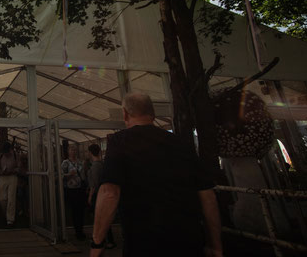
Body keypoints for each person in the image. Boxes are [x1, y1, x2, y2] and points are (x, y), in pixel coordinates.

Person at [90, 93, 222, 257]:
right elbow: (207, 195)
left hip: (144, 243)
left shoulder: (120, 141)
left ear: (125, 114)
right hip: (188, 240)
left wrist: (97, 242)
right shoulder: (181, 143)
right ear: (152, 114)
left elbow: (110, 192)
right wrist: (215, 245)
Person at [87, 143, 115, 249]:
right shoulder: (102, 164)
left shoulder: (95, 166)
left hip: (97, 194)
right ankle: (105, 239)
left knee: (100, 217)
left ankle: (104, 240)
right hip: (104, 192)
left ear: (90, 153)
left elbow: (94, 184)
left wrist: (90, 196)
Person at [62, 143, 87, 241]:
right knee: (75, 210)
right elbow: (60, 176)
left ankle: (80, 230)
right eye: (71, 150)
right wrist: (69, 174)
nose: (73, 152)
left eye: (75, 150)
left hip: (80, 189)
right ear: (68, 152)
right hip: (71, 190)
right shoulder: (65, 163)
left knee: (81, 210)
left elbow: (83, 175)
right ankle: (77, 231)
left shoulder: (80, 162)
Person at [0, 142, 20, 226]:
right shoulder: (1, 156)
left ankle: (10, 219)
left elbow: (19, 167)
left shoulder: (15, 155)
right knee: (2, 198)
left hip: (12, 177)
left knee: (11, 198)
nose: (6, 154)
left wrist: (13, 171)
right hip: (3, 177)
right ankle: (6, 213)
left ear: (10, 149)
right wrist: (0, 171)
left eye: (7, 152)